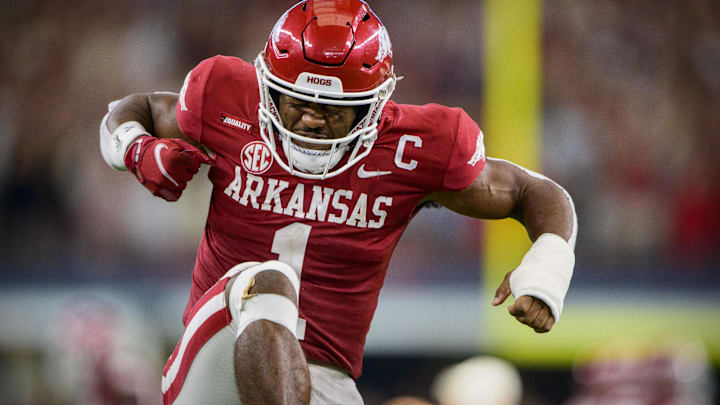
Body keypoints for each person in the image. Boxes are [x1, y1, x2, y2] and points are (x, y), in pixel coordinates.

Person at [99, 1, 577, 404]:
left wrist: (548, 263)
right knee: (265, 281)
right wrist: (134, 148)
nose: (309, 120)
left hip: (325, 383)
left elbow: (530, 190)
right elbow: (135, 109)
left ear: (373, 105)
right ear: (266, 88)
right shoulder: (226, 96)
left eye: (331, 109)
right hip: (215, 364)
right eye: (295, 101)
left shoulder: (415, 148)